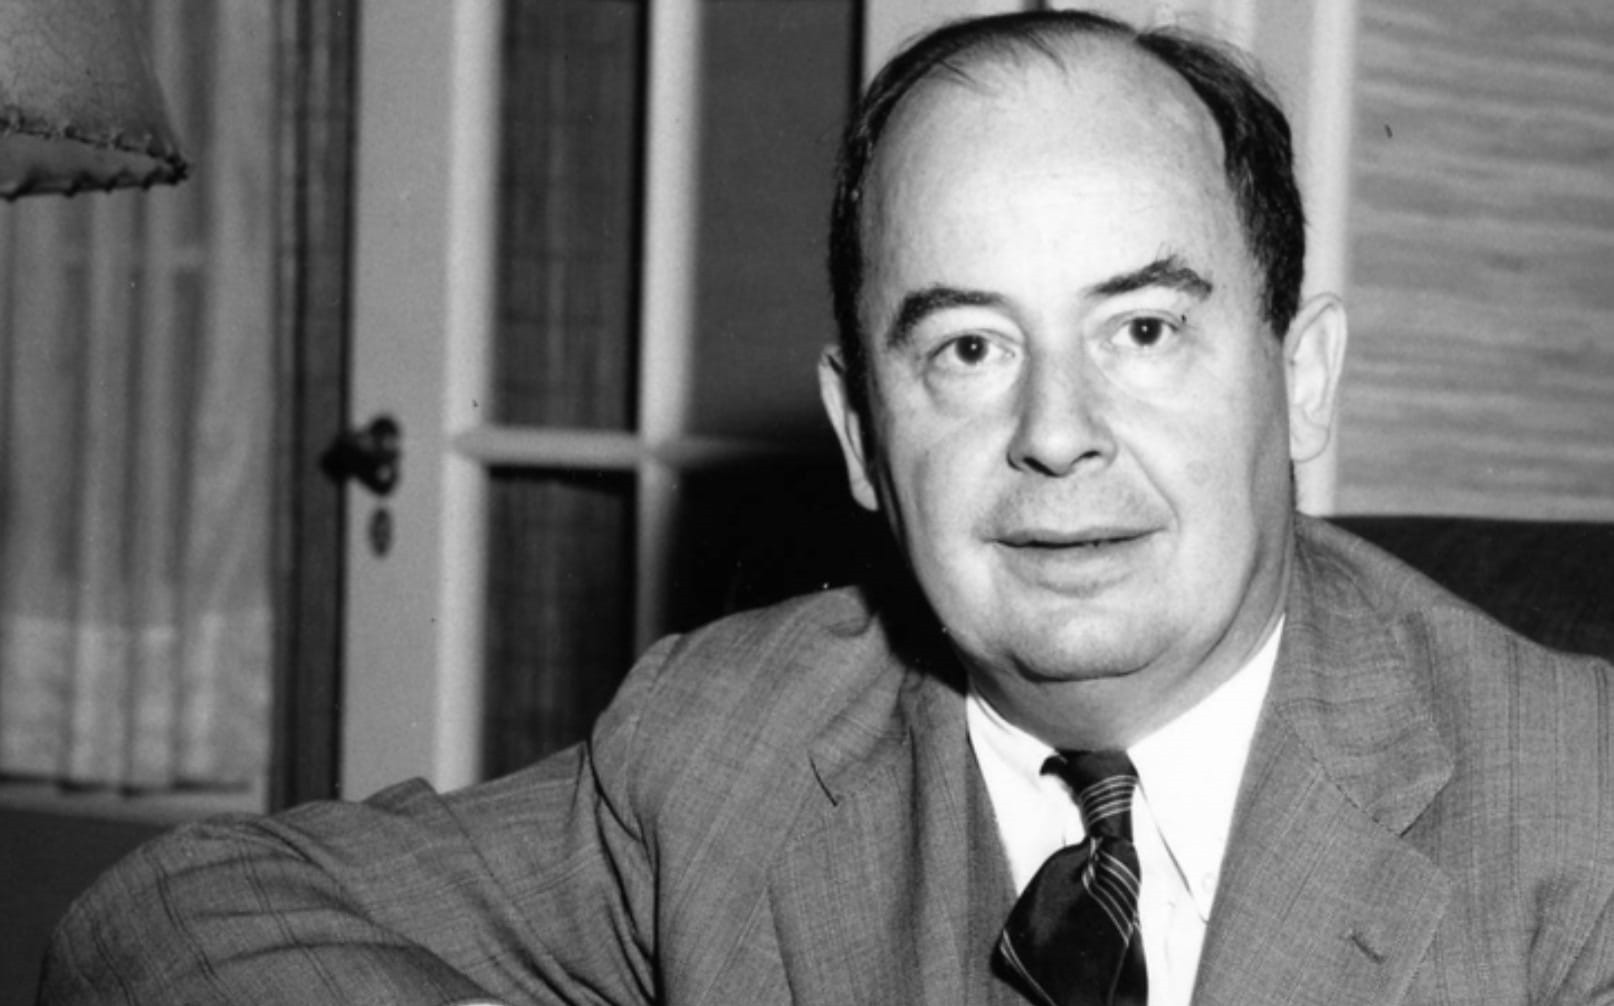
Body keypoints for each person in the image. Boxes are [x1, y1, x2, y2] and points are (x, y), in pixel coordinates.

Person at [41, 10, 1614, 1006]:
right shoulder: (724, 747)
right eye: (967, 348)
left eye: (1142, 329)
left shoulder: (1574, 817)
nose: (1055, 435)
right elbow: (172, 916)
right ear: (863, 435)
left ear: (1301, 380)